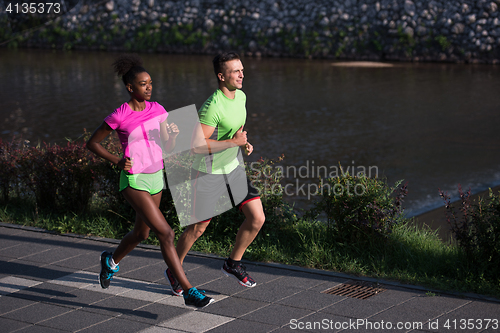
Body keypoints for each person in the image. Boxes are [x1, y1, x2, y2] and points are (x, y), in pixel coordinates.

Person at [86, 54, 213, 308]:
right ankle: (188, 290)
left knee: (140, 233)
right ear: (130, 87)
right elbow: (92, 143)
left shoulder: (159, 109)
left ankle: (110, 261)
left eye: (151, 83)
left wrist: (173, 136)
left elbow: (168, 145)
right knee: (166, 233)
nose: (149, 87)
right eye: (143, 84)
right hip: (134, 180)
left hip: (156, 177)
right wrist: (117, 160)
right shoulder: (120, 114)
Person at [165, 52, 266, 295]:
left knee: (257, 218)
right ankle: (173, 268)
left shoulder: (240, 96)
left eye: (242, 69)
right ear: (222, 76)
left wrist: (243, 143)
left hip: (233, 170)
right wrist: (234, 142)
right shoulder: (212, 106)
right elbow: (198, 145)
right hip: (208, 173)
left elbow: (237, 129)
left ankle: (233, 263)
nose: (242, 74)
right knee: (198, 229)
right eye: (235, 71)